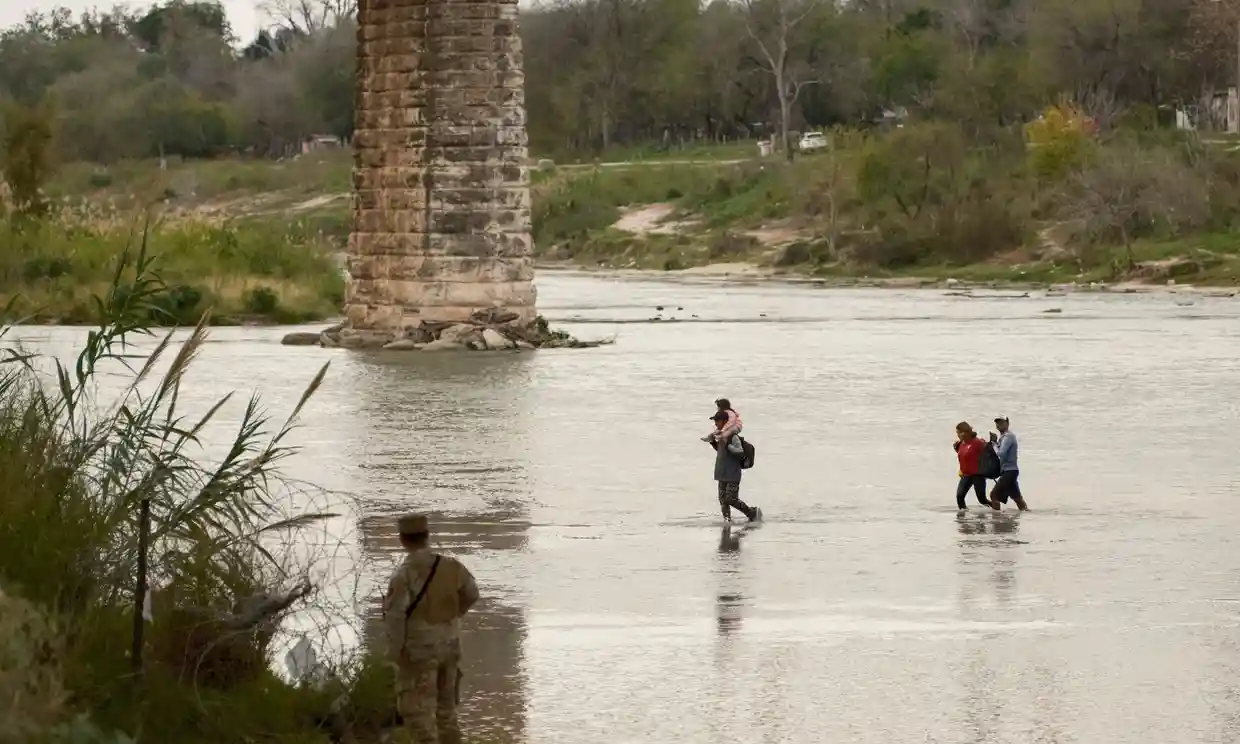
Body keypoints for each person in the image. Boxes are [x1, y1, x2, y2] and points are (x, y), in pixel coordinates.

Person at [382, 513, 480, 744]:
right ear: (427, 536)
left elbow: (396, 618)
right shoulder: (452, 566)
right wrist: (453, 616)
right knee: (447, 712)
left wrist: (395, 653)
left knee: (418, 715)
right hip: (450, 645)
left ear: (402, 539)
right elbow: (472, 594)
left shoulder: (403, 574)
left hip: (419, 652)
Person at [708, 410, 761, 522]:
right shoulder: (721, 436)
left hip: (732, 474)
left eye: (717, 421)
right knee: (723, 500)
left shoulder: (733, 437)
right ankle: (727, 521)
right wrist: (713, 442)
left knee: (731, 499)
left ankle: (752, 513)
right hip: (721, 473)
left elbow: (740, 452)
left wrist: (728, 446)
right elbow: (721, 451)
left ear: (725, 421)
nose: (715, 423)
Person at [988, 416, 1028, 511]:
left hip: (1009, 471)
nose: (999, 425)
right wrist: (995, 442)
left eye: (1002, 422)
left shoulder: (1008, 436)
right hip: (1009, 471)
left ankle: (997, 519)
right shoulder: (1003, 437)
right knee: (1017, 498)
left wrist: (994, 444)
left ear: (1007, 423)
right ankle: (1027, 514)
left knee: (994, 495)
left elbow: (1001, 453)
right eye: (997, 423)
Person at [953, 422, 993, 511]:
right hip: (966, 475)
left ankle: (997, 510)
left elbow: (989, 453)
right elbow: (964, 457)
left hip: (978, 475)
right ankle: (963, 517)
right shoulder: (961, 444)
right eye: (957, 433)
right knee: (959, 496)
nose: (958, 435)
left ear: (965, 432)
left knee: (982, 500)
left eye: (959, 432)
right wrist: (956, 449)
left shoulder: (977, 442)